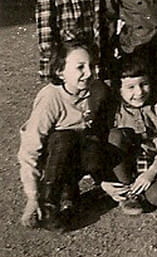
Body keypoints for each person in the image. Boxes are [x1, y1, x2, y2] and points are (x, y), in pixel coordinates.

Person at [18, 40, 110, 231]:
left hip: (81, 150)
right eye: (80, 67)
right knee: (64, 138)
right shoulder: (51, 98)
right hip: (54, 156)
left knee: (93, 140)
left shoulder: (98, 90)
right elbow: (30, 147)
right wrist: (32, 196)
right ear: (60, 71)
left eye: (92, 65)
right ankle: (49, 200)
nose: (89, 72)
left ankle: (72, 191)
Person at [101, 54, 157, 216]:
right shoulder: (112, 108)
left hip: (153, 160)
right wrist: (104, 180)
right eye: (130, 87)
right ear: (118, 89)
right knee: (115, 136)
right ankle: (129, 191)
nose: (139, 92)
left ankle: (153, 184)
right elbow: (102, 146)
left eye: (144, 84)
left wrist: (153, 172)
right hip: (126, 162)